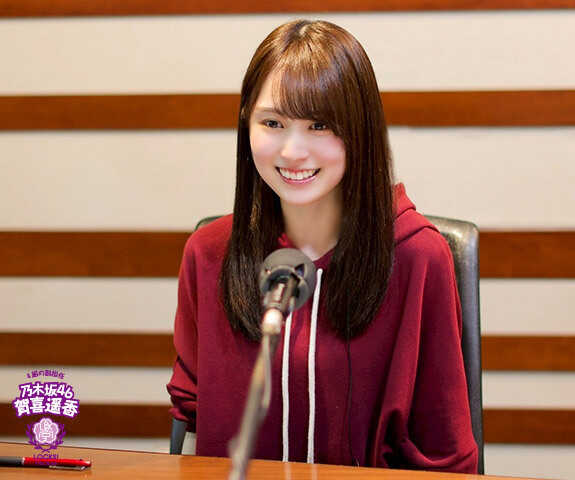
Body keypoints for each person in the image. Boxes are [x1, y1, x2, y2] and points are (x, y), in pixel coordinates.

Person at [167, 19, 478, 473]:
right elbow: (191, 420)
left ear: (360, 131)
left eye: (319, 125)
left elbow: (446, 454)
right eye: (272, 123)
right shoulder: (209, 253)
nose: (292, 151)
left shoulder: (418, 257)